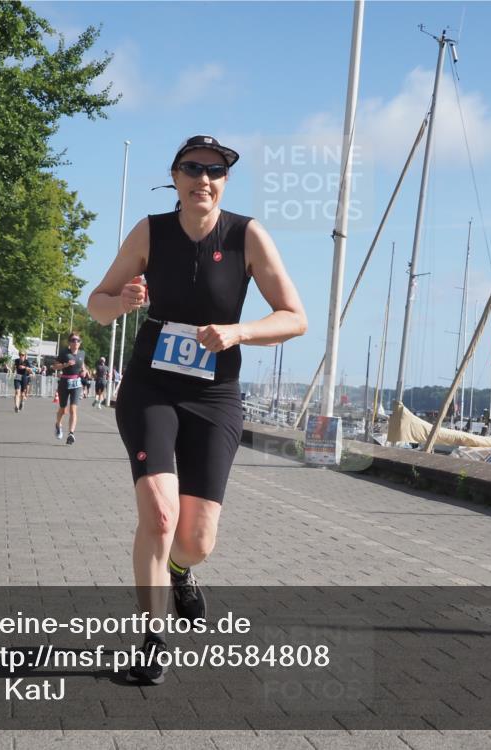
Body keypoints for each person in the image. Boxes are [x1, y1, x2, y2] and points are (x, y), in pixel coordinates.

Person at [87, 135, 307, 685]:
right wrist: (122, 303)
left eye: (214, 171)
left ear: (225, 181)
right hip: (151, 390)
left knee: (196, 539)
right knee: (159, 515)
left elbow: (295, 317)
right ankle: (152, 638)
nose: (202, 179)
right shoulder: (150, 232)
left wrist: (240, 331)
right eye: (192, 168)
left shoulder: (247, 235)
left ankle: (181, 570)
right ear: (176, 176)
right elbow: (96, 305)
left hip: (214, 395)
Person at [53, 333, 85, 444]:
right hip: (64, 382)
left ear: (80, 343)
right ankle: (58, 424)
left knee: (73, 409)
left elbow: (82, 366)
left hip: (76, 383)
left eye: (78, 340)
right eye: (73, 340)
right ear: (69, 342)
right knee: (63, 409)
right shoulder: (64, 353)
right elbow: (54, 366)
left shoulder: (82, 353)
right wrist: (65, 365)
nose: (75, 342)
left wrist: (84, 371)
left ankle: (71, 433)